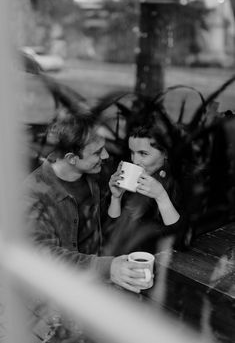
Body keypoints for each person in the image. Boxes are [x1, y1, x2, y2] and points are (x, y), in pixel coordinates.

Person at [23, 110, 152, 342]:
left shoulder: (91, 177)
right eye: (96, 152)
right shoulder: (32, 195)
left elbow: (92, 229)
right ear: (72, 158)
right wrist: (107, 268)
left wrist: (114, 198)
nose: (104, 156)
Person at [105, 117, 184, 256]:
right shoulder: (132, 180)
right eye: (132, 152)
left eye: (143, 153)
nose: (135, 161)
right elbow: (111, 232)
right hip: (123, 260)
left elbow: (179, 243)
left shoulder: (181, 183)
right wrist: (115, 198)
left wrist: (161, 197)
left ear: (165, 153)